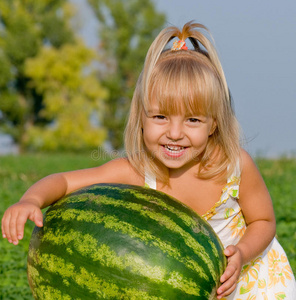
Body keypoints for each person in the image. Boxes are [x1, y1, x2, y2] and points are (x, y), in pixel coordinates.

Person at [2, 21, 296, 299]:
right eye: (160, 117)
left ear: (214, 124)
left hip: (251, 282)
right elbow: (65, 181)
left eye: (192, 120)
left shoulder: (235, 165)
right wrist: (31, 200)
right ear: (141, 118)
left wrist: (242, 253)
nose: (175, 133)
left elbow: (264, 220)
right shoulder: (137, 171)